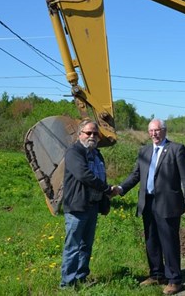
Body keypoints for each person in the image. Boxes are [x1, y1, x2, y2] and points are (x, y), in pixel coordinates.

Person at [113, 118, 185, 295]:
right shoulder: (144, 150)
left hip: (168, 204)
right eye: (151, 131)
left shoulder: (176, 149)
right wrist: (121, 188)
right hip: (148, 202)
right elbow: (136, 174)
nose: (154, 134)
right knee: (151, 240)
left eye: (157, 130)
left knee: (169, 242)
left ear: (164, 131)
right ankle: (157, 274)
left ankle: (175, 279)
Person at [60, 119, 112, 288]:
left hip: (92, 206)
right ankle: (67, 283)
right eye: (88, 133)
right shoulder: (74, 152)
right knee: (73, 246)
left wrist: (105, 193)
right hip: (77, 207)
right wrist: (107, 188)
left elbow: (101, 175)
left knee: (86, 246)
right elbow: (84, 175)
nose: (92, 136)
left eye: (95, 134)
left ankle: (81, 277)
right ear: (79, 134)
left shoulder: (97, 154)